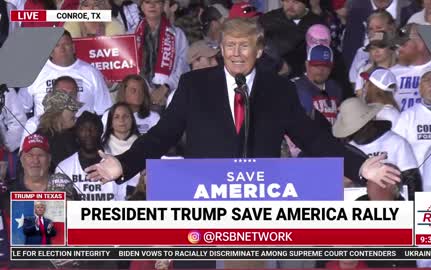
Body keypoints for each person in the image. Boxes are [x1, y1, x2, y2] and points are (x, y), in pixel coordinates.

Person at [86, 18, 401, 199]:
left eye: (245, 45)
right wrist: (123, 165)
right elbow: (162, 134)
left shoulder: (278, 89)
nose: (237, 53)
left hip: (260, 207)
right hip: (204, 206)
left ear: (260, 49)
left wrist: (359, 166)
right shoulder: (194, 85)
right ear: (221, 49)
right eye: (230, 46)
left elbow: (313, 138)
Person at [333, 97, 421, 200]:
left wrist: (411, 210)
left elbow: (412, 183)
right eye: (352, 130)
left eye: (359, 127)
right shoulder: (346, 150)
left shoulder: (396, 143)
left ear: (370, 122)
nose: (355, 133)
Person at [18, 31, 112, 117]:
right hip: (46, 131)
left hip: (83, 132)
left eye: (66, 44)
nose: (62, 49)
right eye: (57, 45)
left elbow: (105, 110)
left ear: (73, 48)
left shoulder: (91, 72)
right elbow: (21, 109)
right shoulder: (35, 73)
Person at [393, 67, 431, 168]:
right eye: (427, 80)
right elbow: (395, 150)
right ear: (420, 89)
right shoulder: (407, 116)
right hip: (417, 180)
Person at [134, 0, 189, 109]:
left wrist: (165, 88)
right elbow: (130, 67)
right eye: (147, 2)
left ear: (163, 6)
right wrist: (148, 91)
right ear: (142, 7)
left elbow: (183, 66)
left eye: (157, 2)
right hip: (139, 95)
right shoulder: (131, 34)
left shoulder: (177, 34)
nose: (152, 6)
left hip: (169, 95)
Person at [341, 0, 419, 70]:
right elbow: (349, 49)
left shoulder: (412, 9)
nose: (375, 32)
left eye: (379, 27)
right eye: (371, 28)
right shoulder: (355, 8)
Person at [56, 112, 115, 201]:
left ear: (101, 132)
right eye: (83, 129)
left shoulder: (116, 163)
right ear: (76, 133)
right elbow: (59, 208)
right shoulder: (63, 168)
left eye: (93, 128)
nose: (88, 133)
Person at [259, 0, 326, 78]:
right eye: (286, 1)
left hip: (305, 77)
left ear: (305, 4)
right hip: (274, 75)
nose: (290, 6)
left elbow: (322, 55)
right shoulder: (268, 19)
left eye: (295, 2)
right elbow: (257, 46)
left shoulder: (316, 23)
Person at [20, 75, 80, 152]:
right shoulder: (34, 124)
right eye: (62, 93)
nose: (67, 98)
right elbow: (24, 159)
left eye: (71, 94)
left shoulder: (82, 125)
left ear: (77, 97)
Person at [293, 44, 343, 124]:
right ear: (307, 65)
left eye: (326, 66)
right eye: (316, 65)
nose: (321, 70)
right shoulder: (295, 88)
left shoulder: (335, 88)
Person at [36, 90, 83, 172]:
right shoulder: (39, 140)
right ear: (57, 113)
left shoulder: (77, 134)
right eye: (71, 108)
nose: (76, 111)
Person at [102, 103, 140, 200]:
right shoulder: (102, 148)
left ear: (132, 120)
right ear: (110, 122)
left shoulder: (143, 145)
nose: (121, 120)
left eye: (125, 116)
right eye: (116, 117)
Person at [354, 31, 397, 96]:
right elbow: (360, 97)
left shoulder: (401, 70)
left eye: (381, 46)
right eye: (372, 48)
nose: (376, 51)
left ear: (391, 49)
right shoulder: (364, 70)